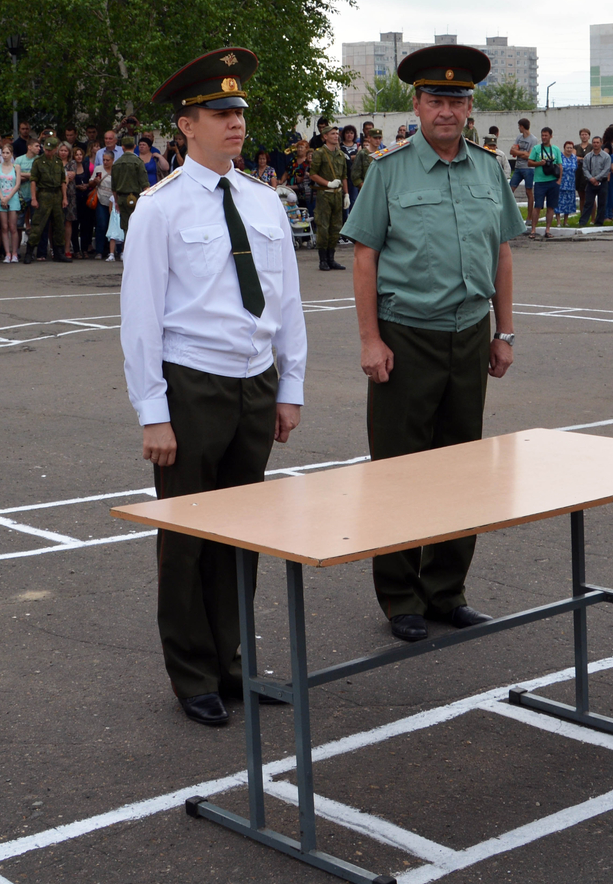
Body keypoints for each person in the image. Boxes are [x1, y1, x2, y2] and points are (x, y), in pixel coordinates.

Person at [120, 46, 307, 727]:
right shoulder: (160, 208)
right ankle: (192, 671)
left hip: (253, 384)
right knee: (188, 535)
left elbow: (285, 301)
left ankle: (233, 662)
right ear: (187, 123)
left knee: (241, 533)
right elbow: (140, 316)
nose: (234, 122)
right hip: (192, 386)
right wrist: (153, 412)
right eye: (219, 111)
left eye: (239, 111)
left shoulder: (263, 200)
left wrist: (291, 386)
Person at [339, 43, 522, 644]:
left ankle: (448, 591)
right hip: (407, 336)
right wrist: (370, 339)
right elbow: (364, 256)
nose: (448, 110)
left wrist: (504, 331)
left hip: (469, 336)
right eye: (436, 99)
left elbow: (501, 252)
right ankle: (400, 596)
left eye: (458, 100)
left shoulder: (489, 168)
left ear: (471, 108)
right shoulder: (388, 170)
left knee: (461, 470)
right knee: (398, 471)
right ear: (415, 104)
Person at [22, 135, 69, 262]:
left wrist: (64, 197)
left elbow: (63, 181)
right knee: (38, 224)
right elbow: (33, 181)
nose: (48, 152)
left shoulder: (58, 162)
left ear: (55, 149)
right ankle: (29, 252)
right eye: (46, 149)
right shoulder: (38, 162)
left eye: (50, 149)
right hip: (44, 195)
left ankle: (59, 253)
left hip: (57, 195)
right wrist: (33, 198)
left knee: (59, 225)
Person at [310, 124, 350, 270]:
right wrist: (328, 183)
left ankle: (331, 258)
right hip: (324, 195)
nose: (336, 136)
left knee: (336, 227)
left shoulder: (340, 154)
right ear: (325, 136)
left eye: (336, 133)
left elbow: (344, 176)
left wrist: (346, 194)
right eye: (332, 133)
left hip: (337, 196)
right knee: (323, 227)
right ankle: (323, 260)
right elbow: (313, 174)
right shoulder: (319, 153)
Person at [110, 136, 148, 260]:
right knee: (137, 226)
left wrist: (116, 201)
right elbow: (145, 184)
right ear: (135, 146)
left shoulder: (117, 163)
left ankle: (127, 253)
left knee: (126, 227)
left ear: (123, 147)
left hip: (121, 197)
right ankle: (136, 254)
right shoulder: (138, 162)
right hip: (136, 198)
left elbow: (114, 187)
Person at [528, 126, 562, 239]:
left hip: (553, 181)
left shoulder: (556, 149)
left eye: (546, 135)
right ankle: (533, 230)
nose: (544, 137)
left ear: (551, 136)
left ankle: (548, 230)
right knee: (537, 206)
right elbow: (529, 163)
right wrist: (540, 163)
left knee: (551, 207)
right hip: (540, 182)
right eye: (542, 135)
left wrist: (559, 180)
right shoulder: (537, 149)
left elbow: (560, 166)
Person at [0, 144, 23, 263]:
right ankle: (7, 253)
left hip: (12, 198)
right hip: (1, 198)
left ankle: (14, 253)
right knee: (4, 227)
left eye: (7, 153)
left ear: (11, 154)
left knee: (13, 227)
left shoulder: (16, 167)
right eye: (3, 153)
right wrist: (2, 198)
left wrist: (8, 197)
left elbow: (17, 184)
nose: (5, 155)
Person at [509, 118, 536, 234]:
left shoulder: (533, 139)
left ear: (522, 126)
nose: (518, 128)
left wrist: (519, 153)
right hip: (518, 168)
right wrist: (522, 153)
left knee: (529, 192)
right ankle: (509, 215)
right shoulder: (519, 138)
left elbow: (530, 156)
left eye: (519, 126)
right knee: (510, 190)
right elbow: (512, 151)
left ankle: (529, 218)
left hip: (529, 168)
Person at [580, 135, 610, 226]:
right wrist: (591, 179)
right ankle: (583, 222)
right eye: (594, 142)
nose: (596, 144)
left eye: (597, 142)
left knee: (602, 203)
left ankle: (599, 222)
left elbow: (606, 170)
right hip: (590, 182)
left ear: (601, 143)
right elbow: (584, 169)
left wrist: (596, 178)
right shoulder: (588, 156)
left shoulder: (606, 156)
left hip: (603, 182)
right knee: (588, 203)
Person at [557, 139, 579, 223]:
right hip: (561, 182)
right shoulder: (560, 156)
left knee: (568, 203)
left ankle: (565, 221)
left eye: (571, 148)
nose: (569, 149)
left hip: (571, 183)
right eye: (567, 148)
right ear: (564, 148)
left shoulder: (574, 158)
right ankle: (558, 221)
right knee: (559, 202)